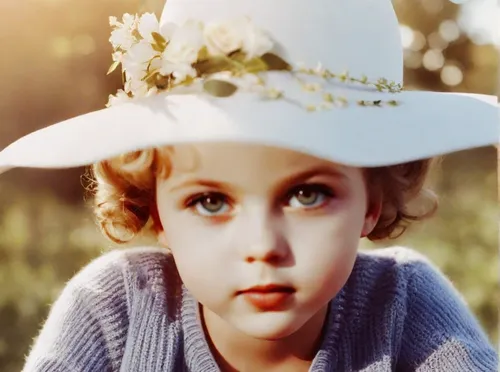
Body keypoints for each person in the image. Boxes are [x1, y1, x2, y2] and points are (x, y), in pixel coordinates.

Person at [0, 0, 497, 370]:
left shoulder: (403, 305)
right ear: (156, 211)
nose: (262, 247)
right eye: (210, 201)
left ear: (374, 199)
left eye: (307, 194)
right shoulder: (114, 314)